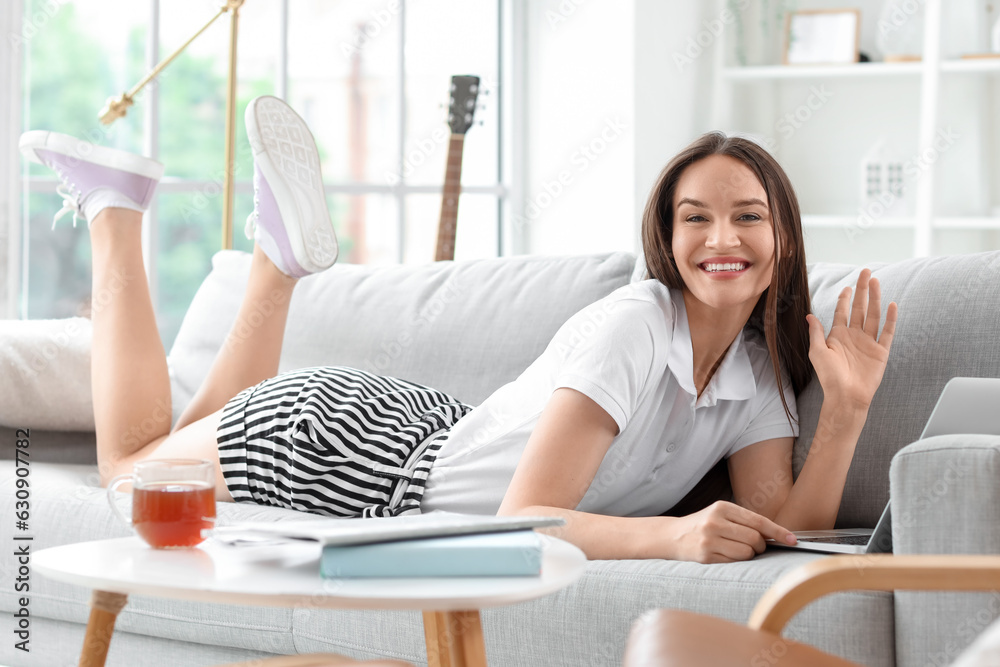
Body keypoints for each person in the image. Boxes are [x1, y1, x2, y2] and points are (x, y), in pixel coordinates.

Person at [20, 95, 898, 564]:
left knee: (166, 449)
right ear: (665, 242)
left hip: (410, 428)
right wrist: (671, 533)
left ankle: (276, 263)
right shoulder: (635, 325)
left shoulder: (756, 373)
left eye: (748, 217)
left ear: (782, 237)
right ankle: (114, 208)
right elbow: (525, 517)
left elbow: (790, 526)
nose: (721, 239)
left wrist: (849, 409)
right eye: (695, 218)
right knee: (129, 472)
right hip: (358, 455)